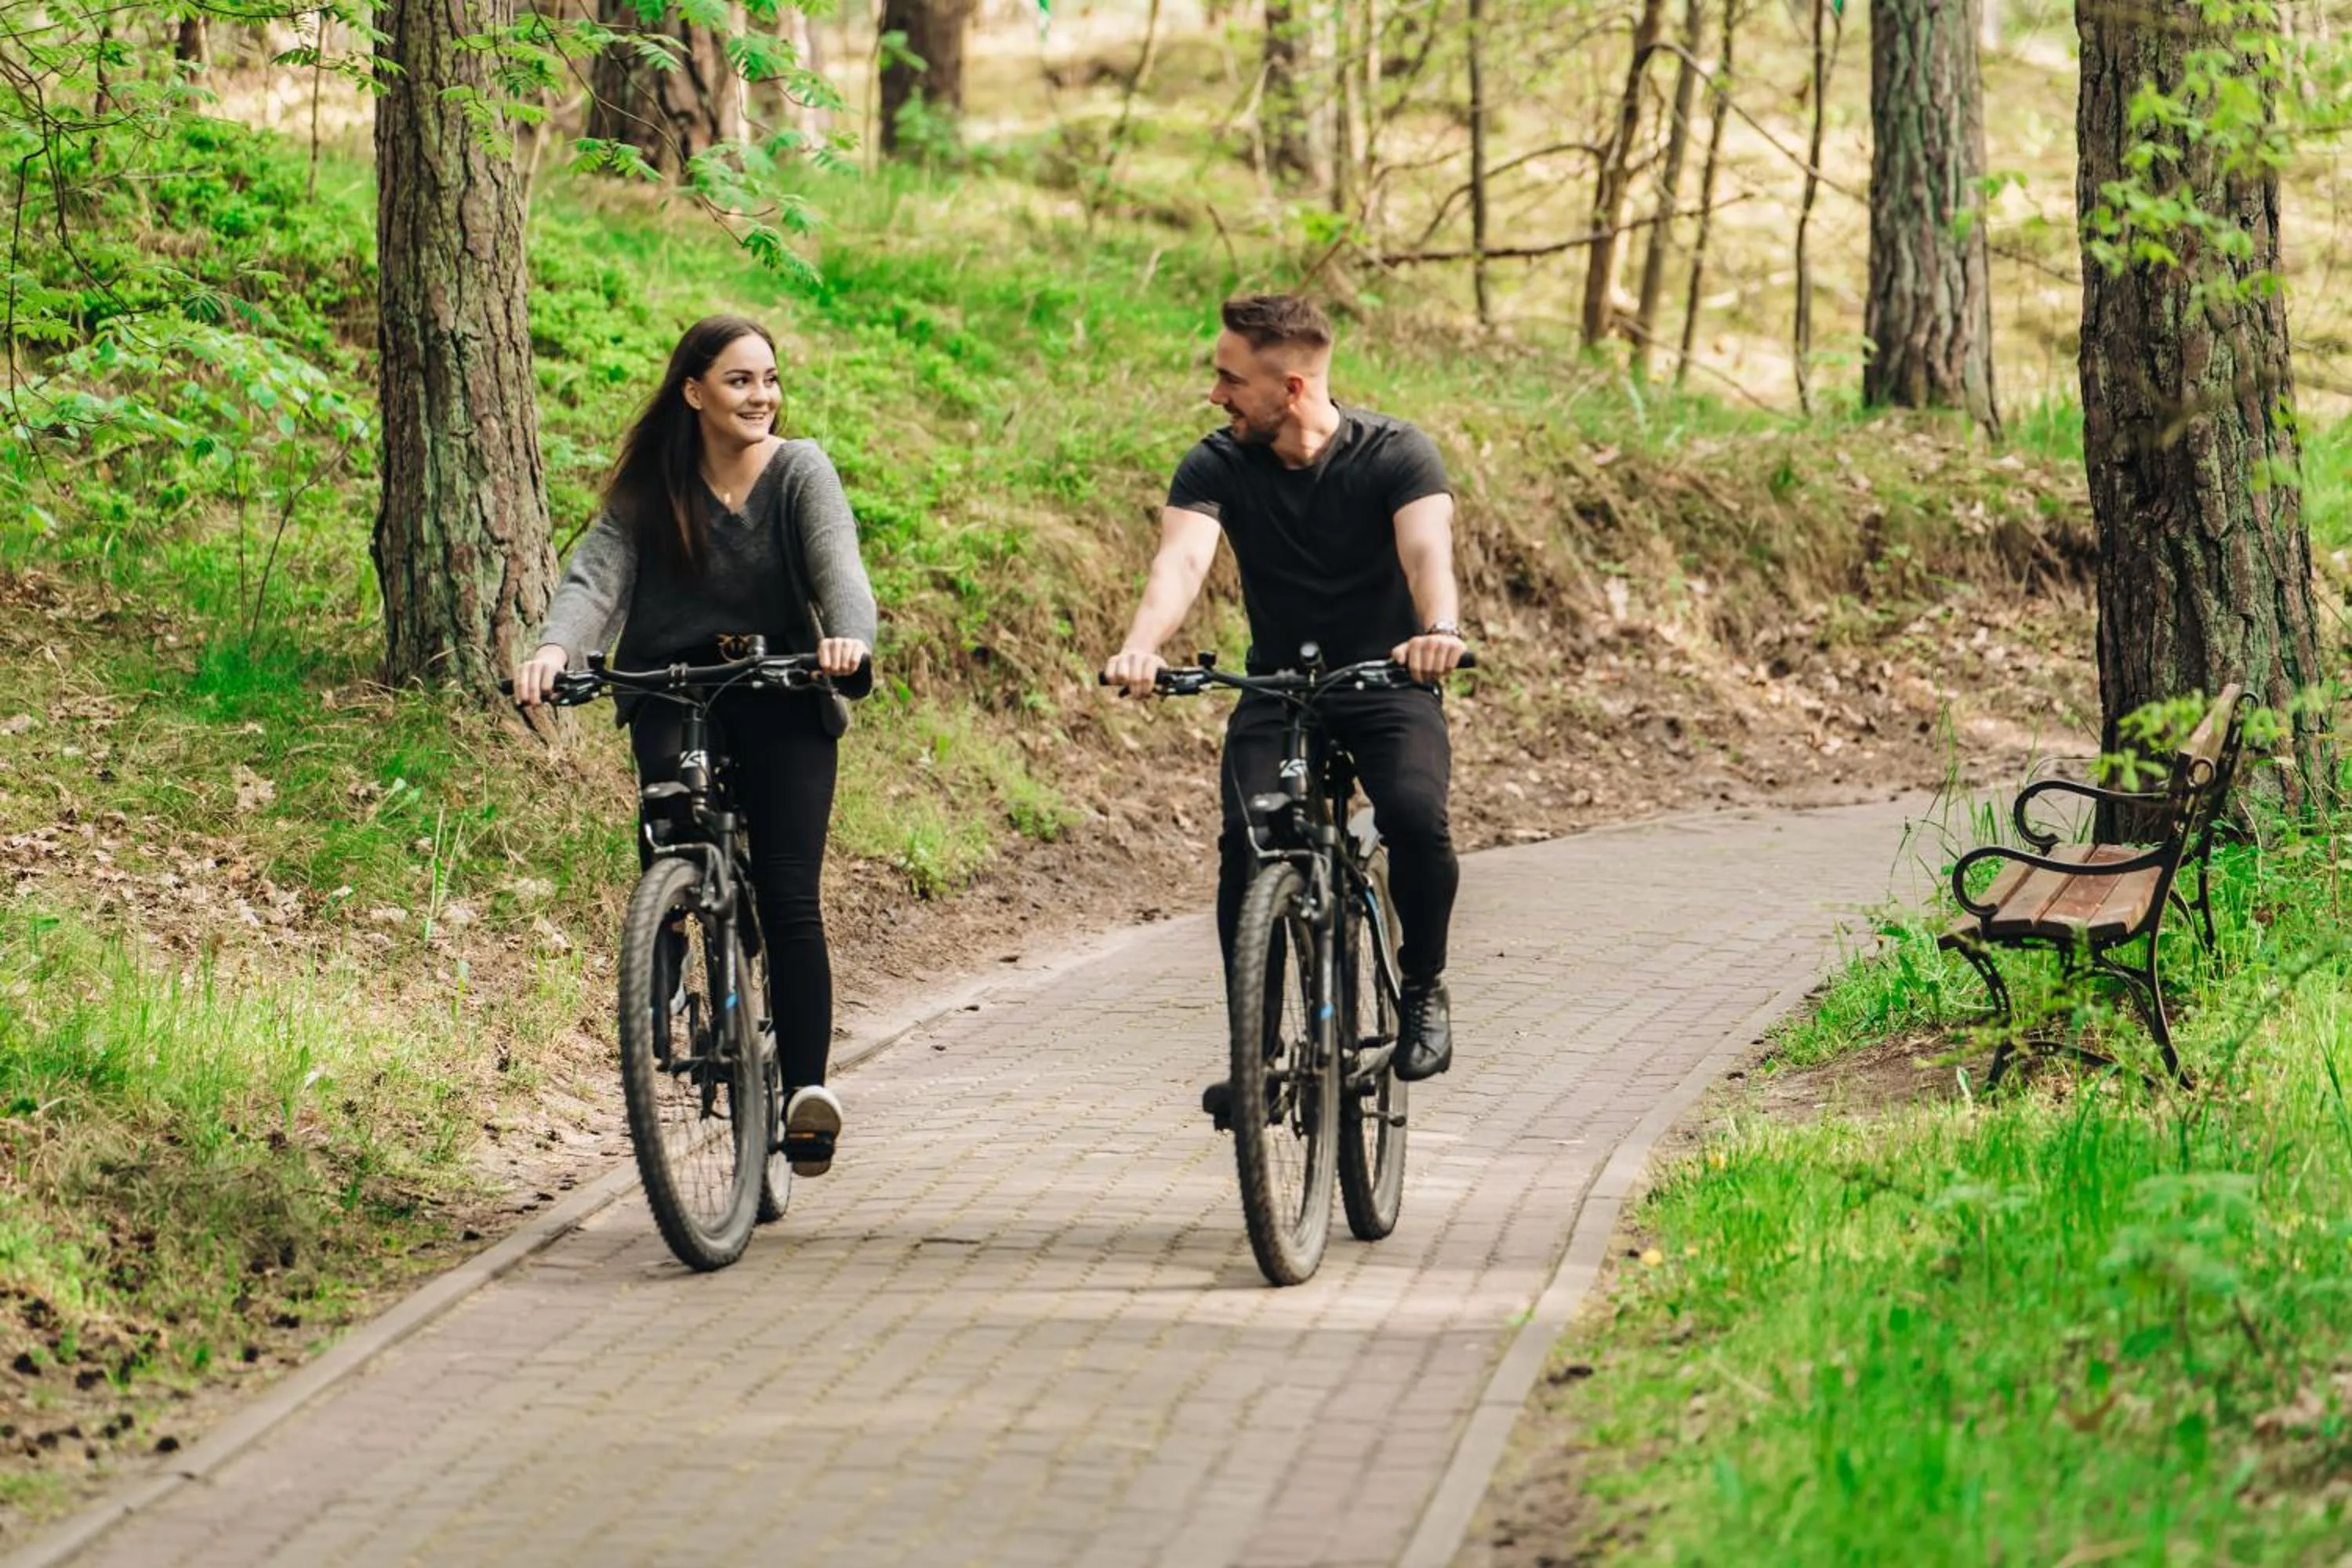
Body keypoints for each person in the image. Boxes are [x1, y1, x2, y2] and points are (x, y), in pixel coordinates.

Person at [515, 314, 877, 1178]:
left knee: (788, 894)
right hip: (672, 689)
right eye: (740, 380)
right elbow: (594, 579)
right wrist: (556, 649)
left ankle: (805, 1093)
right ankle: (667, 951)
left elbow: (839, 568)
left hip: (783, 690)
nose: (761, 396)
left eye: (770, 379)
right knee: (672, 824)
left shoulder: (800, 472)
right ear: (693, 392)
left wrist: (849, 641)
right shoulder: (652, 488)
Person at [1102, 293, 1468, 1116]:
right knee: (1248, 841)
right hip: (1277, 688)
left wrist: (1438, 631)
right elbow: (1181, 562)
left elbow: (1427, 552)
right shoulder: (1216, 463)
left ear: (1292, 387)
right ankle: (1258, 1056)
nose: (1216, 395)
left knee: (1414, 818)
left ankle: (1424, 987)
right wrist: (1142, 645)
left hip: (1386, 682)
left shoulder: (1397, 453)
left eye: (1232, 380)